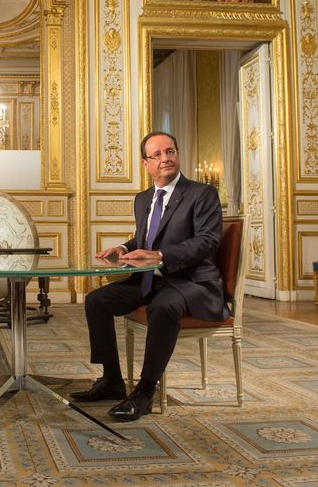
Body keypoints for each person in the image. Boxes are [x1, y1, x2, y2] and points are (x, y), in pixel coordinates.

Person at [71, 131, 227, 422]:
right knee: (96, 301)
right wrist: (123, 247)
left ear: (178, 154)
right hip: (151, 280)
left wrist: (161, 257)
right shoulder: (142, 199)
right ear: (146, 164)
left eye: (170, 151)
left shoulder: (202, 194)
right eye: (157, 155)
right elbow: (145, 238)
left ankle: (144, 391)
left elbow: (207, 241)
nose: (165, 158)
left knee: (163, 307)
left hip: (191, 282)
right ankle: (112, 380)